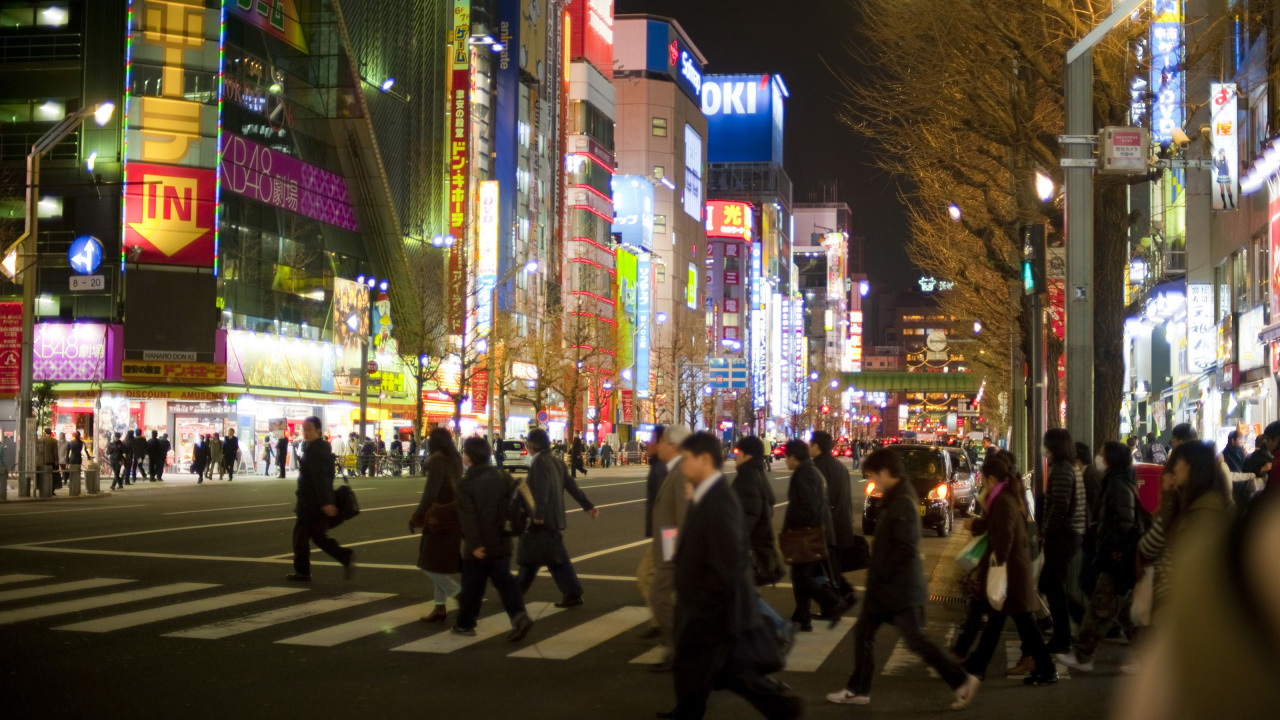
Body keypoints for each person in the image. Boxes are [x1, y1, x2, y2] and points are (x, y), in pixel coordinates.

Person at [658, 431, 802, 720]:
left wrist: (700, 606)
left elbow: (725, 567)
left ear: (704, 459)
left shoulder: (720, 501)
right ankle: (688, 710)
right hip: (709, 606)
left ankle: (784, 705)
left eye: (687, 459)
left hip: (714, 610)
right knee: (708, 668)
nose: (683, 465)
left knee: (725, 669)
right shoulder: (707, 494)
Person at [827, 448, 979, 709]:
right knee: (864, 633)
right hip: (888, 588)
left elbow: (905, 549)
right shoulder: (896, 497)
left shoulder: (902, 502)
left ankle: (961, 680)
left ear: (886, 472)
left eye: (875, 475)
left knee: (916, 641)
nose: (874, 480)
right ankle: (858, 689)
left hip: (898, 589)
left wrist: (884, 575)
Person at [962, 453, 1058, 685]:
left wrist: (998, 563)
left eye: (984, 480)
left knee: (1019, 623)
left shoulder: (1003, 500)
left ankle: (1046, 670)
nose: (983, 485)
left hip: (1009, 571)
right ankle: (979, 665)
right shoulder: (1004, 496)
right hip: (1012, 571)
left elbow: (1004, 534)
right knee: (1005, 622)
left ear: (991, 479)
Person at [1056, 440, 1143, 672]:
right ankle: (1146, 656)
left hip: (1116, 559)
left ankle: (1083, 656)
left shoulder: (1117, 484)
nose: (1099, 458)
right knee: (1124, 611)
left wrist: (1109, 549)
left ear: (1111, 459)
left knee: (1100, 608)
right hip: (1119, 558)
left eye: (1103, 454)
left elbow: (1124, 522)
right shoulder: (1118, 481)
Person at [1137, 440, 1232, 621]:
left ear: (1192, 467)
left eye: (1179, 462)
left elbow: (1151, 546)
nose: (1175, 468)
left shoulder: (1203, 511)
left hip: (1183, 607)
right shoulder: (1193, 503)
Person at [452, 436, 533, 641]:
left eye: (465, 453)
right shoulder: (502, 477)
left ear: (469, 457)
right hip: (502, 541)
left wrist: (474, 544)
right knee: (505, 583)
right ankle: (520, 616)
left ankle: (465, 624)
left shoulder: (465, 484)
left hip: (478, 546)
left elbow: (468, 518)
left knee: (472, 587)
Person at [517, 428, 597, 606]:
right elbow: (572, 487)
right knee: (554, 557)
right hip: (554, 518)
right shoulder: (557, 462)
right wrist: (588, 505)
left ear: (532, 445)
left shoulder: (539, 462)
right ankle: (572, 593)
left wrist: (538, 514)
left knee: (531, 558)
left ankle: (514, 595)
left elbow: (542, 490)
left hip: (542, 519)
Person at [782, 439, 847, 632]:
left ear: (793, 457)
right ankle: (803, 616)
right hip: (812, 532)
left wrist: (794, 528)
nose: (785, 461)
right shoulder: (809, 471)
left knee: (802, 577)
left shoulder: (805, 474)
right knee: (802, 576)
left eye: (786, 457)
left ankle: (832, 603)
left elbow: (808, 507)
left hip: (806, 534)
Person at [733, 436, 791, 646]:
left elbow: (750, 512)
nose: (735, 455)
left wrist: (737, 539)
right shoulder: (757, 473)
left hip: (748, 545)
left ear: (747, 454)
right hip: (756, 542)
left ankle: (777, 626)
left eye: (737, 452)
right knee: (743, 593)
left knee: (741, 594)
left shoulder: (747, 476)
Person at [1036, 428, 1086, 667]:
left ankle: (1063, 638)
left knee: (1051, 585)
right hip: (1068, 535)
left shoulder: (1063, 471)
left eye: (1047, 444)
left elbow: (1060, 505)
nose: (1044, 448)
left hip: (1063, 536)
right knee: (1051, 584)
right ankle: (1073, 625)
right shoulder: (1069, 468)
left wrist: (1046, 529)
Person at [286, 416, 354, 582]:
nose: (306, 432)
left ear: (318, 431)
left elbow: (320, 479)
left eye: (309, 429)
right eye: (304, 429)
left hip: (311, 503)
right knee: (318, 536)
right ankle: (344, 556)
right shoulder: (317, 448)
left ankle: (303, 571)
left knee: (300, 538)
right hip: (315, 502)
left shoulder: (316, 451)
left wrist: (326, 502)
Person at [647, 424, 693, 670]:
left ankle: (679, 648)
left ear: (673, 446)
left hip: (672, 547)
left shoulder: (681, 471)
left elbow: (683, 516)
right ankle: (679, 648)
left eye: (663, 440)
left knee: (658, 595)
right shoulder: (673, 469)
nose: (658, 445)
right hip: (670, 545)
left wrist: (678, 553)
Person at [410, 427, 464, 623]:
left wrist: (417, 515)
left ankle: (461, 596)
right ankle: (439, 606)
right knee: (438, 564)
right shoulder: (455, 458)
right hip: (454, 515)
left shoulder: (437, 460)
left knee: (428, 564)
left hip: (439, 517)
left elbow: (430, 492)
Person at [809, 430, 859, 606]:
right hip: (841, 525)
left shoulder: (817, 468)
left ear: (817, 447)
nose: (808, 447)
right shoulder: (840, 466)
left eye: (810, 444)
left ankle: (833, 604)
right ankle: (840, 598)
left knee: (821, 570)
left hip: (826, 527)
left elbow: (819, 501)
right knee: (833, 568)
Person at [636, 425, 669, 642]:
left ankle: (665, 622)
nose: (647, 443)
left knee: (647, 576)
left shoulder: (664, 468)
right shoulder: (658, 465)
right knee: (657, 578)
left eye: (651, 439)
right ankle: (661, 621)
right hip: (664, 533)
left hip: (667, 534)